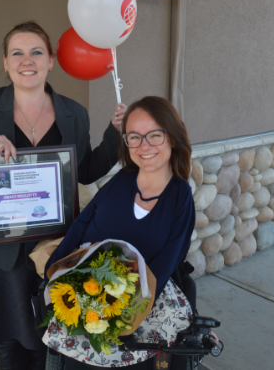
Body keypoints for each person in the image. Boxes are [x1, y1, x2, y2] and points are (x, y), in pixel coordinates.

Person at [0, 21, 126, 370]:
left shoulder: (74, 113)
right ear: (6, 61)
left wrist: (115, 133)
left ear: (51, 60)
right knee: (8, 338)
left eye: (36, 52)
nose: (27, 60)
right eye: (18, 53)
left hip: (53, 245)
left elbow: (85, 170)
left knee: (48, 334)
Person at [44, 96, 196, 369]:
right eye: (134, 137)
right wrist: (53, 268)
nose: (143, 146)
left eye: (154, 135)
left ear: (172, 137)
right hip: (84, 300)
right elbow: (81, 224)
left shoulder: (180, 196)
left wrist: (124, 316)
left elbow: (166, 263)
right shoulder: (121, 179)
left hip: (136, 312)